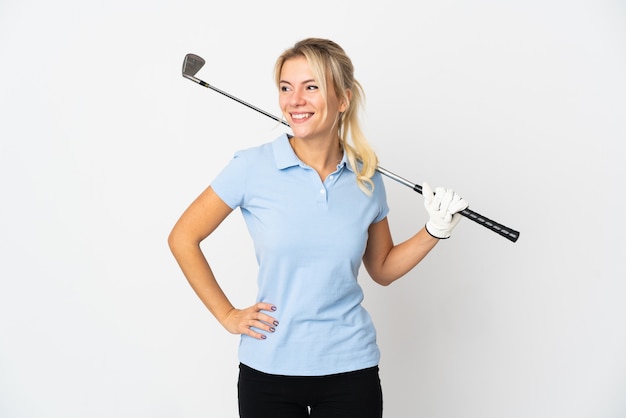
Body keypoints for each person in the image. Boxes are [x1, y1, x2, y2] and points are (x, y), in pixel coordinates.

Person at [168, 38, 468, 418]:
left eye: (311, 87)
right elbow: (183, 237)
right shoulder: (250, 168)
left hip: (350, 369)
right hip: (269, 370)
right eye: (285, 88)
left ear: (342, 99)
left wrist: (434, 231)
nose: (295, 100)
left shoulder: (367, 178)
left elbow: (382, 268)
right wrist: (227, 314)